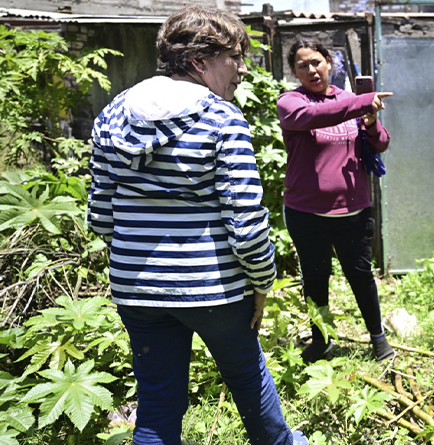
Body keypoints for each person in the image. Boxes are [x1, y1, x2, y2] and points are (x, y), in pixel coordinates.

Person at [87, 6, 307, 445]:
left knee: (157, 400)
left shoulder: (112, 114)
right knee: (247, 380)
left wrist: (142, 258)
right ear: (199, 61)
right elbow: (246, 223)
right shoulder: (221, 118)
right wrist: (261, 283)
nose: (242, 68)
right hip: (215, 289)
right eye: (235, 57)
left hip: (136, 288)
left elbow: (101, 215)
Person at [276, 38, 395, 363]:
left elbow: (381, 143)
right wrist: (361, 104)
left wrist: (370, 123)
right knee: (315, 278)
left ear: (329, 63)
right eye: (303, 65)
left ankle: (378, 338)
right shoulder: (290, 102)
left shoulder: (350, 100)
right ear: (295, 71)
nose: (311, 69)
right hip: (306, 211)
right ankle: (321, 340)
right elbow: (316, 116)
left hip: (352, 210)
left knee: (360, 274)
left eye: (316, 62)